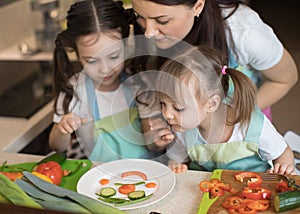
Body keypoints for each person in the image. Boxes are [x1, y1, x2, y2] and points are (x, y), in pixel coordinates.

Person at [129, 0, 297, 129]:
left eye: (162, 21)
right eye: (139, 16)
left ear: (198, 5)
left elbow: (285, 79)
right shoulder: (146, 33)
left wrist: (236, 115)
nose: (148, 33)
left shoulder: (244, 32)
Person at [155, 45, 295, 174]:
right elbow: (178, 159)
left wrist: (282, 170)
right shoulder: (182, 128)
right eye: (162, 103)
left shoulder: (252, 124)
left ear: (211, 104)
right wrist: (176, 166)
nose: (167, 114)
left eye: (178, 108)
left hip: (253, 192)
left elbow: (283, 153)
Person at [49, 0, 151, 161]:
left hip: (147, 169)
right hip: (101, 176)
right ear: (77, 54)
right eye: (91, 61)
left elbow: (152, 142)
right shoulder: (75, 91)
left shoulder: (137, 82)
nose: (105, 69)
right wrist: (62, 130)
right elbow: (56, 146)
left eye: (113, 56)